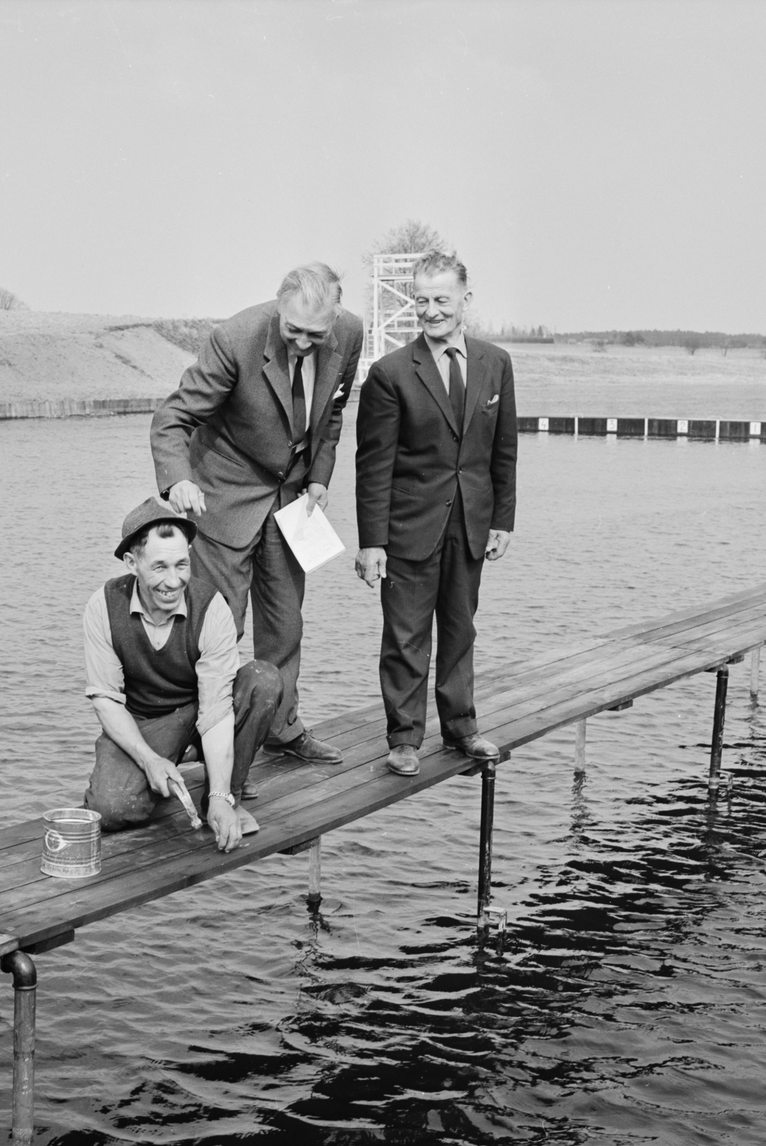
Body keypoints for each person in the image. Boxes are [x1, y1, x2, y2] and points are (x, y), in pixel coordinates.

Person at [150, 263, 364, 766]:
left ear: (335, 317)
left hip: (292, 498)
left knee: (286, 623)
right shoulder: (236, 338)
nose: (305, 344)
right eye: (294, 331)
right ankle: (202, 738)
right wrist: (178, 479)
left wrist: (319, 476)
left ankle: (281, 729)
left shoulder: (350, 333)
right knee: (223, 627)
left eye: (317, 334)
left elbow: (331, 413)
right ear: (278, 307)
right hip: (224, 492)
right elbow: (172, 419)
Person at [354, 252, 517, 776]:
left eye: (441, 300)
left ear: (465, 300)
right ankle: (404, 738)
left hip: (471, 523)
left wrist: (503, 520)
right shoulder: (390, 374)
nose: (430, 311)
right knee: (405, 635)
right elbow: (373, 466)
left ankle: (462, 728)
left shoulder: (496, 363)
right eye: (421, 301)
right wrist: (372, 541)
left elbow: (504, 451)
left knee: (460, 628)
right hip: (408, 528)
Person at [82, 498, 283, 852]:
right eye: (159, 567)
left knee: (262, 680)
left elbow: (217, 709)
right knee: (111, 809)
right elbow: (106, 700)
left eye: (182, 564)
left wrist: (220, 795)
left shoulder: (211, 607)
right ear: (132, 563)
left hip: (200, 709)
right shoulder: (103, 605)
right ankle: (169, 762)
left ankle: (225, 795)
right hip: (146, 720)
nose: (173, 581)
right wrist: (149, 760)